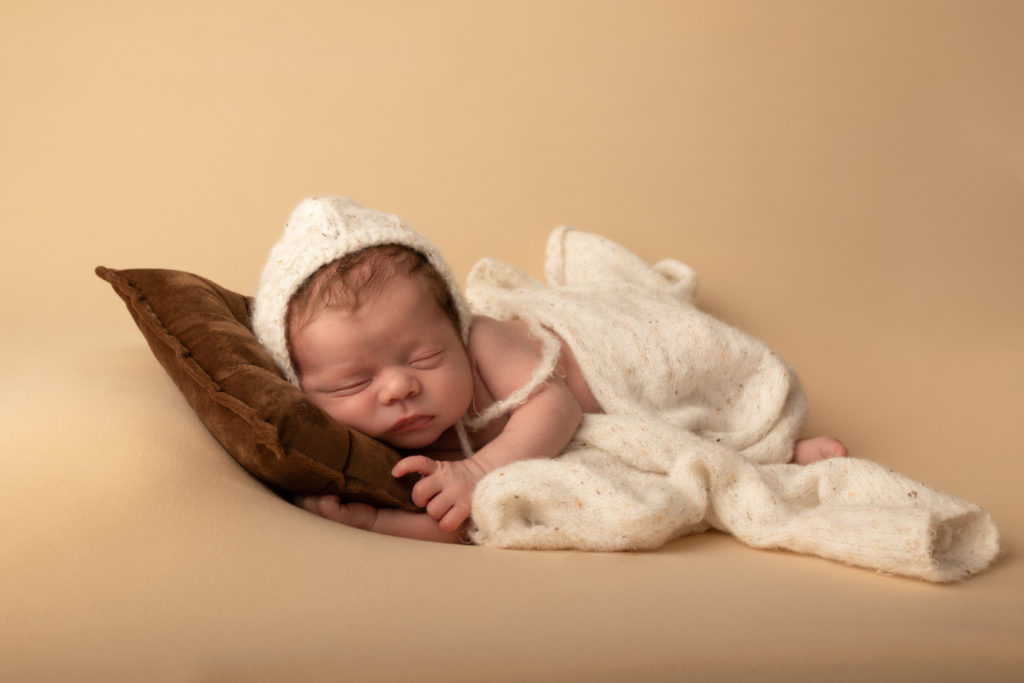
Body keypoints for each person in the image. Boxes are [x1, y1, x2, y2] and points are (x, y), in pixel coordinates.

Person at [252, 197, 847, 543]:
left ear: (454, 329)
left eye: (424, 356)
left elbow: (554, 408)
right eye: (352, 383)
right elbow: (469, 522)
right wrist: (376, 521)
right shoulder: (358, 444)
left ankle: (777, 449)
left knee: (703, 401)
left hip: (610, 353)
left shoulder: (481, 340)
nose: (400, 385)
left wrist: (481, 467)